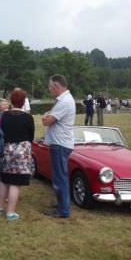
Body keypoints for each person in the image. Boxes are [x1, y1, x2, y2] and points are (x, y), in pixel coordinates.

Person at [0, 89, 34, 220]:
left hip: (7, 150)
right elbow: (31, 136)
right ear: (23, 102)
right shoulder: (28, 117)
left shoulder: (4, 116)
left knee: (4, 179)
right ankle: (10, 212)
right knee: (15, 183)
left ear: (11, 101)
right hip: (21, 151)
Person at [41, 74, 76, 218]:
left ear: (56, 86)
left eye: (50, 87)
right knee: (60, 176)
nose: (49, 89)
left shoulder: (64, 102)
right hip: (61, 143)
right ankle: (62, 204)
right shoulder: (64, 100)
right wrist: (47, 116)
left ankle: (63, 210)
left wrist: (45, 117)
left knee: (59, 178)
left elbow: (47, 121)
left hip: (60, 144)